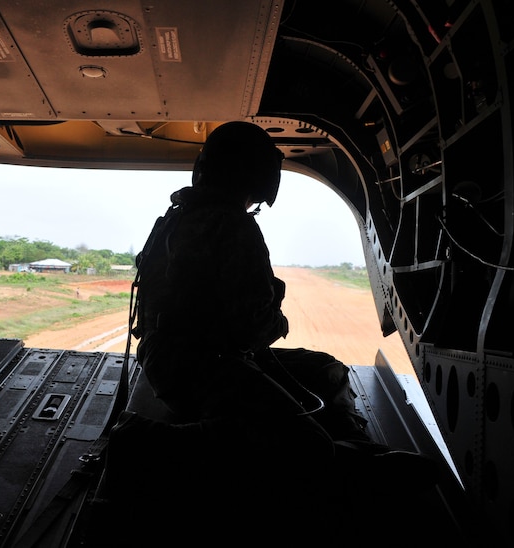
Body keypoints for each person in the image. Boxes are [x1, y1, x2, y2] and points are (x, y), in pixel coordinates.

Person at [97, 122, 436, 545]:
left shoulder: (174, 219)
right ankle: (149, 443)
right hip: (203, 368)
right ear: (257, 178)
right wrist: (278, 316)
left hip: (177, 359)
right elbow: (255, 329)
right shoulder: (234, 225)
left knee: (325, 369)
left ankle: (353, 449)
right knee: (306, 444)